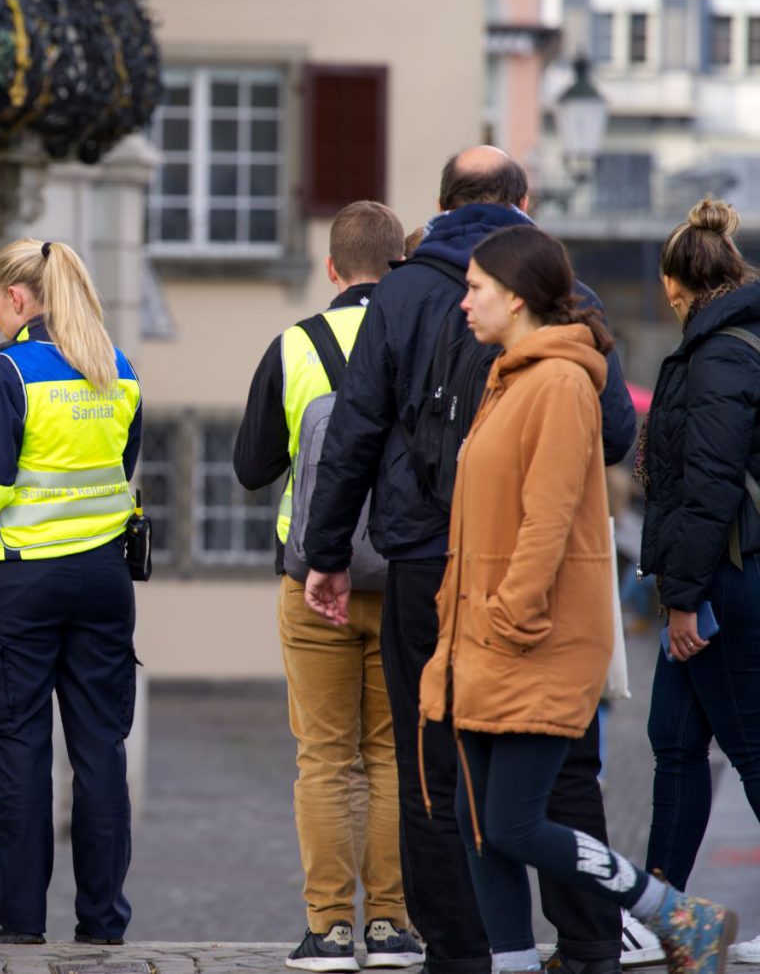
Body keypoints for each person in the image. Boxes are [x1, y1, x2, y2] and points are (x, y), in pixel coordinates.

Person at [301, 147, 642, 974]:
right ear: (522, 200)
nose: (467, 300)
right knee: (555, 768)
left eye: (479, 291)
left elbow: (356, 430)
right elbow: (616, 439)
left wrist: (327, 551)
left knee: (441, 772)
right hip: (485, 578)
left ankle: (465, 949)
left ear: (445, 203)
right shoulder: (562, 297)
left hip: (452, 571)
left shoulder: (412, 293)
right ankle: (581, 942)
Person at [419, 224, 739, 974]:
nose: (463, 301)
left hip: (530, 637)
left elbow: (550, 517)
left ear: (517, 297)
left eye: (475, 288)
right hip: (481, 638)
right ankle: (511, 963)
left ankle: (675, 914)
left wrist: (510, 613)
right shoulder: (509, 377)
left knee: (514, 822)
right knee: (478, 822)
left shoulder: (560, 382)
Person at [0, 238, 142, 947]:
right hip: (104, 580)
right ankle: (103, 921)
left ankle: (19, 918)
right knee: (100, 751)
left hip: (22, 584)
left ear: (19, 298)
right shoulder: (118, 369)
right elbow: (119, 471)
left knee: (20, 749)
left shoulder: (7, 373)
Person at [234, 201, 421, 971]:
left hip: (313, 579)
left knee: (324, 758)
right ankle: (390, 925)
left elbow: (252, 468)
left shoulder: (295, 345)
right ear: (400, 264)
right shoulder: (423, 334)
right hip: (405, 576)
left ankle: (330, 930)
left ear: (332, 268)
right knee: (391, 756)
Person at [635, 200, 760, 964]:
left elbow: (708, 486)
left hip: (726, 581)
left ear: (675, 282)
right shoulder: (729, 342)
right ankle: (661, 916)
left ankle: (659, 916)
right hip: (719, 573)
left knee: (751, 750)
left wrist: (683, 599)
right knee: (675, 742)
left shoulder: (718, 354)